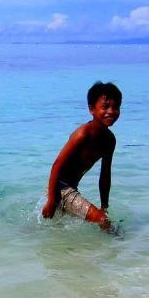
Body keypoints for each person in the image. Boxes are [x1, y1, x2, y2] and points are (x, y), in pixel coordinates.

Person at [42, 81, 121, 231]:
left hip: (72, 189)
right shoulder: (83, 134)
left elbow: (105, 176)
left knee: (57, 231)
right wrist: (51, 200)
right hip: (60, 188)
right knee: (103, 221)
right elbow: (56, 165)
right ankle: (118, 247)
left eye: (116, 107)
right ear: (91, 109)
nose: (111, 111)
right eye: (105, 107)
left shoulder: (110, 140)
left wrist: (105, 205)